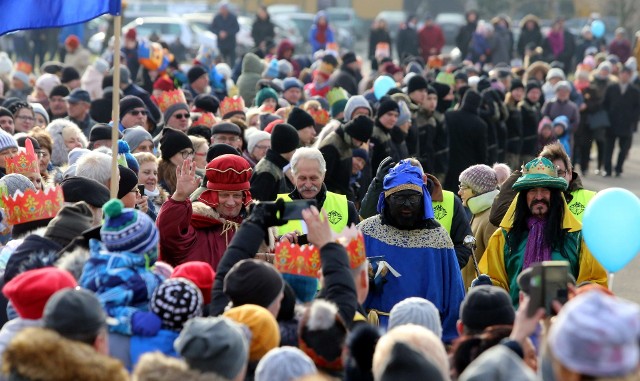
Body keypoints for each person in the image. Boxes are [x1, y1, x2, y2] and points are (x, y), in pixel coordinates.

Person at [359, 160, 465, 341]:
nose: (407, 204)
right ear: (387, 198)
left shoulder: (438, 237)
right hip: (377, 334)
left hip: (424, 336)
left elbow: (454, 294)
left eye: (413, 198)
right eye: (400, 197)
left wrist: (448, 340)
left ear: (423, 198)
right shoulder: (366, 232)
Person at [479, 157, 607, 306]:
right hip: (517, 324)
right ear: (523, 197)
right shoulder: (503, 238)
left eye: (545, 190)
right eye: (532, 190)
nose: (539, 197)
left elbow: (594, 283)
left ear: (555, 195)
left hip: (563, 325)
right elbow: (496, 285)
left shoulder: (579, 238)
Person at [157, 154, 252, 269]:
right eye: (224, 195)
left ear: (244, 197)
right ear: (212, 196)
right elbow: (167, 234)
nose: (231, 202)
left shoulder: (256, 229)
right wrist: (179, 197)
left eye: (236, 195)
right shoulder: (196, 226)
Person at [276, 147, 359, 240]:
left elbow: (357, 248)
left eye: (313, 178)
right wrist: (280, 240)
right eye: (302, 178)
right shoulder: (277, 206)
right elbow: (265, 246)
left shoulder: (346, 207)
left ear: (323, 175)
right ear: (293, 176)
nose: (308, 185)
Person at [458, 165, 500, 289]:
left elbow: (494, 266)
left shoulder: (490, 219)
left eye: (463, 187)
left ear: (477, 190)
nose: (459, 192)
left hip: (482, 297)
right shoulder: (479, 213)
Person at [319, 115, 373, 200]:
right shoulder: (331, 147)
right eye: (359, 141)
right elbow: (323, 180)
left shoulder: (345, 143)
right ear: (352, 135)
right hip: (332, 200)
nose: (360, 145)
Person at [444, 90, 488, 192]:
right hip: (469, 170)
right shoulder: (480, 124)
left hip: (448, 165)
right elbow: (482, 153)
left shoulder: (449, 115)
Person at [602, 66, 640, 177]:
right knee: (609, 147)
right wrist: (607, 117)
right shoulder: (611, 88)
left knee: (623, 149)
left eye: (627, 74)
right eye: (623, 73)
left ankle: (619, 169)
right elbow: (605, 103)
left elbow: (638, 107)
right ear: (619, 75)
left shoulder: (635, 91)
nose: (624, 76)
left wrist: (633, 119)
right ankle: (607, 169)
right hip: (611, 123)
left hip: (627, 124)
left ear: (630, 76)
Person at [250, 123, 298, 201]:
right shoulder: (267, 172)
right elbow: (257, 205)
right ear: (289, 148)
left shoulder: (276, 166)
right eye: (295, 147)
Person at [158, 128, 194, 194]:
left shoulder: (192, 177)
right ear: (170, 155)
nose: (189, 158)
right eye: (184, 152)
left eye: (191, 153)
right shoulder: (161, 184)